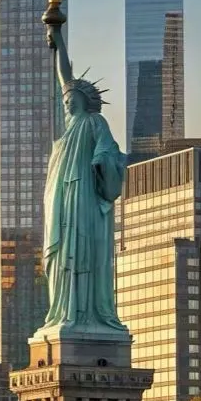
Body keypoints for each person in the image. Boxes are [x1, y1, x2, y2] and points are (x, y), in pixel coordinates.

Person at [41, 18, 127, 335]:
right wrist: (57, 38)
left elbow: (108, 155)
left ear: (83, 101)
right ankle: (64, 311)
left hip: (86, 201)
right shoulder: (70, 127)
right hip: (64, 202)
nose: (67, 99)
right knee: (62, 255)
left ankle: (87, 313)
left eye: (72, 98)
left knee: (85, 253)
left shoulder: (94, 123)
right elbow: (63, 76)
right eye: (65, 98)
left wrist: (101, 162)